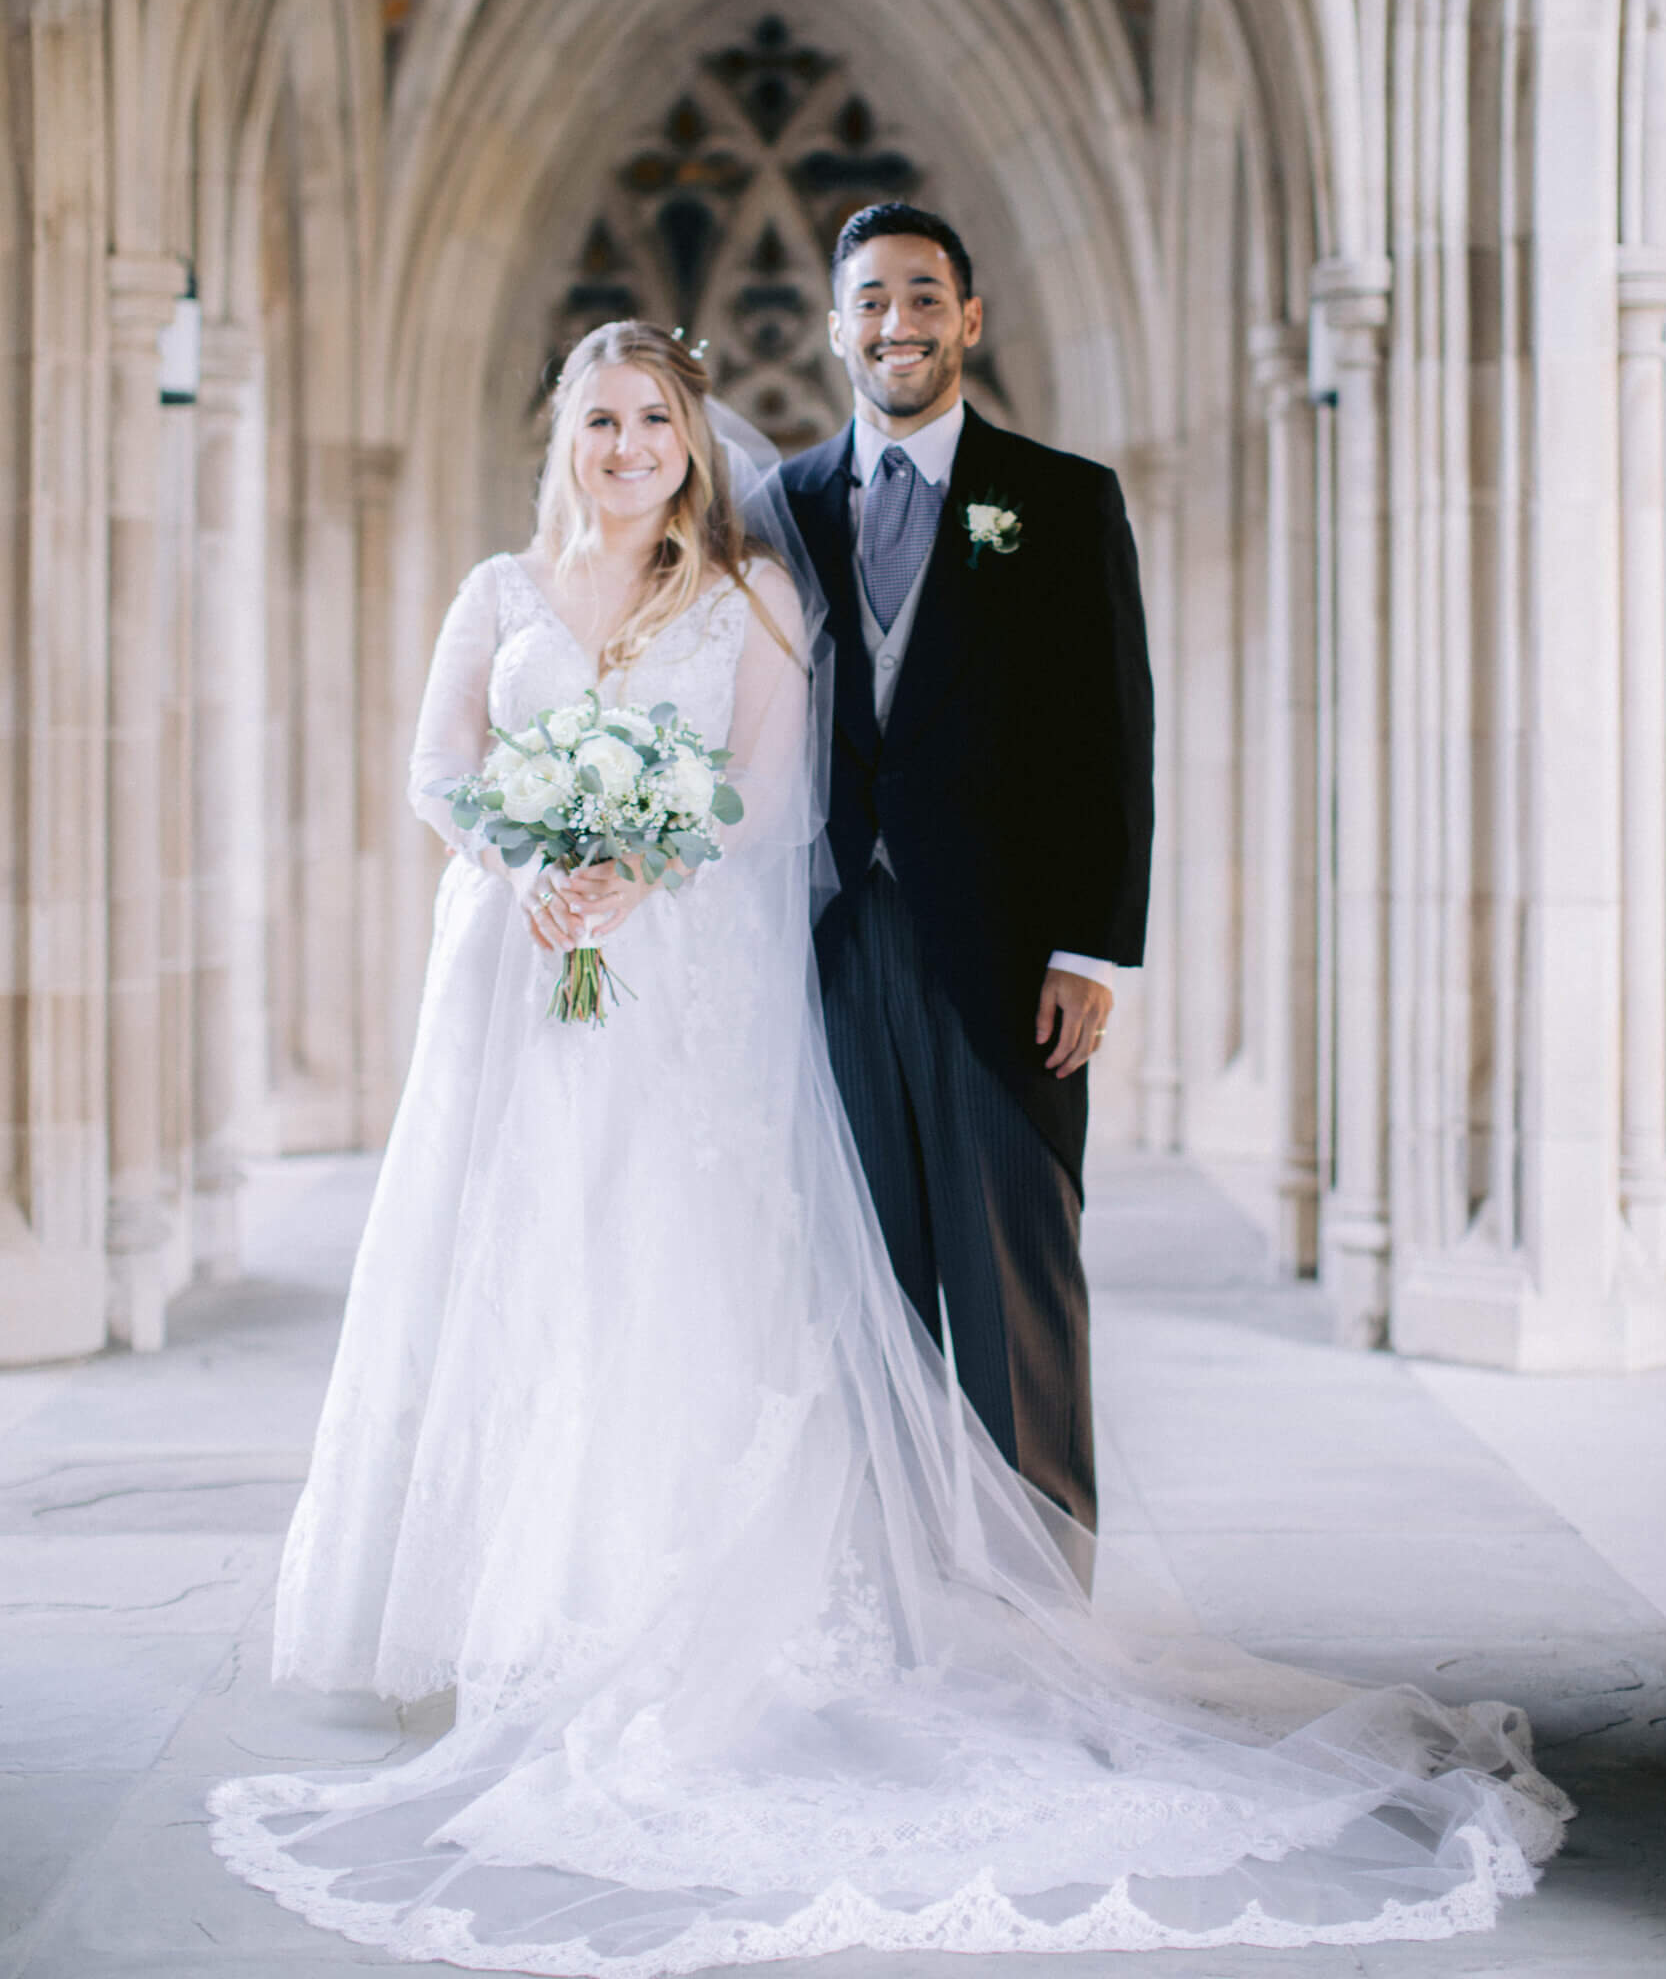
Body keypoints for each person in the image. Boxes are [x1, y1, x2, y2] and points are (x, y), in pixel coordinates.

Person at [208, 319, 1567, 1972]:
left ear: (692, 440)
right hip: (516, 987)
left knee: (675, 1283)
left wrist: (635, 862)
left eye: (652, 418)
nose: (626, 444)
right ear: (560, 435)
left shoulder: (753, 598)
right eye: (599, 420)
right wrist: (526, 861)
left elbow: (771, 808)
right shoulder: (498, 592)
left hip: (684, 997)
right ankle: (504, 1608)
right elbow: (440, 767)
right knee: (517, 1277)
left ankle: (666, 1607)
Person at [781, 202, 1153, 1538]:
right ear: (837, 328)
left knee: (1014, 1284)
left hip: (1004, 960)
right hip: (830, 954)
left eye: (924, 297)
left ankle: (1042, 1595)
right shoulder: (785, 507)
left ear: (969, 320)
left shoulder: (1058, 501)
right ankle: (894, 1594)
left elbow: (1112, 736)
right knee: (866, 1286)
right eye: (872, 299)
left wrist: (1091, 947)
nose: (899, 323)